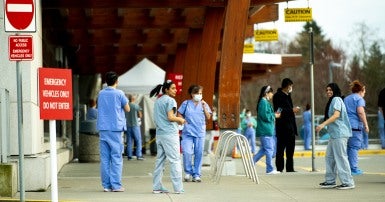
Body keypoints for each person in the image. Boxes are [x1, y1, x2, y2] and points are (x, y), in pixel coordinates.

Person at [316, 83, 355, 190]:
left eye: (330, 90)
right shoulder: (332, 100)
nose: (328, 91)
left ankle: (348, 182)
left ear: (335, 90)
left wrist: (323, 124)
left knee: (341, 157)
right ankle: (330, 181)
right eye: (327, 90)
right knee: (329, 157)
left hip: (340, 134)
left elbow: (336, 115)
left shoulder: (336, 99)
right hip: (334, 134)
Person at [96, 71, 130, 192]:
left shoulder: (101, 93)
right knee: (116, 157)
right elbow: (127, 108)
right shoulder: (119, 93)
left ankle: (106, 185)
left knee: (105, 158)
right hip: (115, 128)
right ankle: (116, 185)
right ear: (116, 81)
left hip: (103, 128)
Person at [150, 80, 185, 194]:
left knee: (160, 161)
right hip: (170, 134)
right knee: (175, 160)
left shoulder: (158, 101)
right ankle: (178, 188)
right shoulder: (171, 101)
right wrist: (180, 119)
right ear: (166, 89)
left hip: (160, 134)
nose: (175, 90)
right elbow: (170, 117)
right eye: (173, 88)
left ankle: (156, 187)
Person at [178, 85, 212, 182]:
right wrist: (183, 120)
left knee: (199, 153)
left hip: (200, 132)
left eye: (201, 93)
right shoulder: (186, 103)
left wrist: (205, 107)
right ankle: (188, 172)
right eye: (197, 93)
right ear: (192, 94)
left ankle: (197, 174)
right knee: (187, 152)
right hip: (188, 132)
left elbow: (208, 117)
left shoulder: (204, 104)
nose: (199, 95)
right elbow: (179, 113)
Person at [273, 78, 300, 172]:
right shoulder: (278, 96)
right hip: (282, 128)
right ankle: (279, 168)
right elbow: (278, 111)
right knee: (280, 150)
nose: (291, 88)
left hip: (291, 128)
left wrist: (292, 112)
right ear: (287, 86)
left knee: (290, 150)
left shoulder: (288, 96)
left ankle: (290, 168)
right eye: (291, 86)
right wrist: (291, 110)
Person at [253, 86, 281, 174]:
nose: (272, 94)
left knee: (264, 150)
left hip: (268, 130)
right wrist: (274, 116)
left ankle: (250, 163)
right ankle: (269, 169)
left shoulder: (265, 102)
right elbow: (265, 116)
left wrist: (273, 114)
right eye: (271, 92)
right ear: (266, 93)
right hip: (265, 130)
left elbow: (266, 114)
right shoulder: (263, 103)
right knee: (269, 149)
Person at [344, 80, 369, 175]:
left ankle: (347, 168)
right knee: (354, 147)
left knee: (348, 147)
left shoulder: (346, 99)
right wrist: (366, 125)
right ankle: (353, 168)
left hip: (346, 126)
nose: (364, 93)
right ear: (361, 90)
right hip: (355, 127)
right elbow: (360, 112)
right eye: (364, 91)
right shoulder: (359, 99)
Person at [125, 94, 144, 160]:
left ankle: (129, 156)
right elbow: (140, 115)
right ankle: (139, 155)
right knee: (138, 140)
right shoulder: (136, 106)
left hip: (128, 125)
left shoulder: (126, 106)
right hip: (135, 125)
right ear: (133, 99)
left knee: (129, 141)